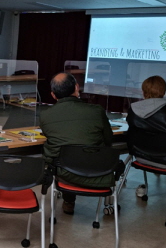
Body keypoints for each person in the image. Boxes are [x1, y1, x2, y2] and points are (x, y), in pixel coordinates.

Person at [40, 72, 113, 215]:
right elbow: (108, 141)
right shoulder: (97, 111)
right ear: (77, 88)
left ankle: (69, 202)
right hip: (98, 173)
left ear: (53, 95)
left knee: (66, 156)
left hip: (64, 174)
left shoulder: (46, 115)